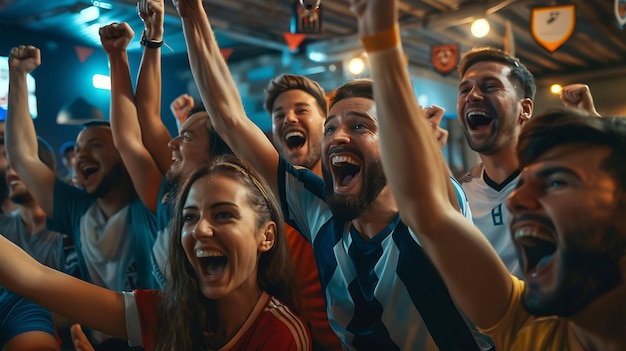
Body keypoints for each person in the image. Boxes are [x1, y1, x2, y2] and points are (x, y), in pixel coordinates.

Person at [174, 0, 490, 349]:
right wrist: (190, 13)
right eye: (330, 128)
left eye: (359, 126)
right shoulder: (319, 210)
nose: (337, 137)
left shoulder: (432, 211)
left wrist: (381, 34)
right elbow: (230, 120)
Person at [356, 0, 626, 350]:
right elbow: (427, 213)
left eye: (557, 183)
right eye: (464, 89)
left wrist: (594, 130)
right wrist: (380, 43)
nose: (518, 202)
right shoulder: (526, 328)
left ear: (524, 108)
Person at [0, 156, 312, 351]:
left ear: (267, 236)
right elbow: (35, 278)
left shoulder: (280, 334)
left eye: (223, 215)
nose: (200, 230)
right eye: (189, 217)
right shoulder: (169, 313)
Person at [99, 0, 232, 288]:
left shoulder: (235, 214)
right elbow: (137, 128)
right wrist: (147, 37)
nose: (172, 142)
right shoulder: (171, 200)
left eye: (186, 137)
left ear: (216, 155)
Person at [5, 44, 158, 290]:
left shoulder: (150, 206)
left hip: (155, 329)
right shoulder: (77, 209)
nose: (81, 156)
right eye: (77, 150)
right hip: (91, 329)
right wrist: (19, 76)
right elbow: (23, 156)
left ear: (123, 153)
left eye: (95, 146)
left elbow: (139, 126)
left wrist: (125, 52)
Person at [264, 74, 342, 350]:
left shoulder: (355, 198)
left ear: (326, 122)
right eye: (279, 114)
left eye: (302, 110)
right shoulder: (268, 215)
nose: (289, 119)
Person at [455, 46, 536, 277]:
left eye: (490, 86)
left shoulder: (551, 182)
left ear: (525, 109)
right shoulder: (460, 195)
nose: (472, 96)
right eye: (464, 90)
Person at [0, 137, 65, 351]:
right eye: (8, 167)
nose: (10, 174)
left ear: (40, 169)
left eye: (17, 166)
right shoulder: (3, 227)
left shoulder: (68, 232)